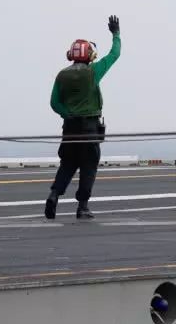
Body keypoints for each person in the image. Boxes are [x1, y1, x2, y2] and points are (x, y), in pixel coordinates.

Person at [45, 16, 121, 220]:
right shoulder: (93, 71)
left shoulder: (62, 75)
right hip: (90, 127)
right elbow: (115, 55)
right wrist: (116, 34)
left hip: (69, 128)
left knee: (68, 163)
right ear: (89, 55)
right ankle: (83, 206)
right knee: (89, 165)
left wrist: (67, 113)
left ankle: (54, 195)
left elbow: (54, 102)